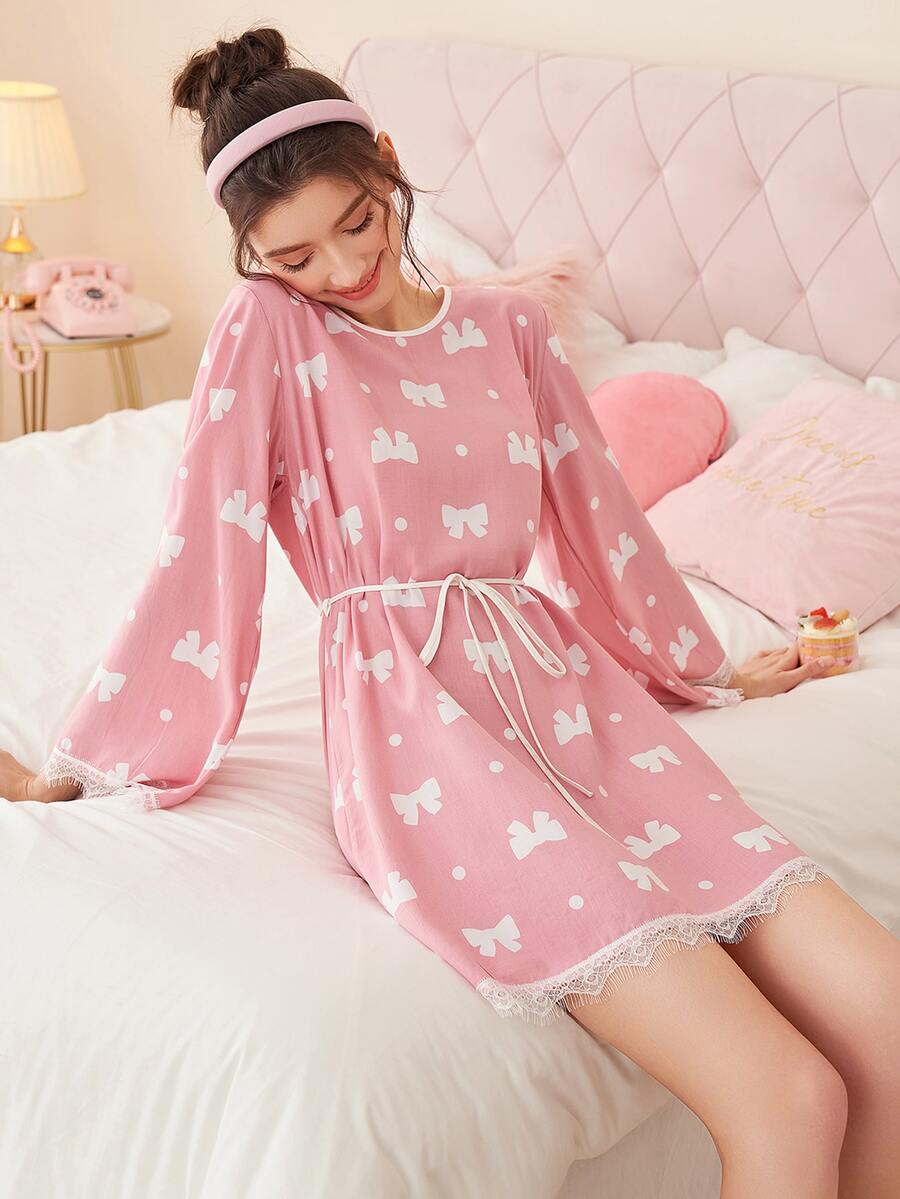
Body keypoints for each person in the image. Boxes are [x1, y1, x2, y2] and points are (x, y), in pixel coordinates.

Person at [4, 26, 899, 1195]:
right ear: (252, 254)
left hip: (580, 707)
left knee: (884, 1024)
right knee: (787, 1090)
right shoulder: (268, 329)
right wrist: (94, 759)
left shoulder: (508, 330)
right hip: (423, 737)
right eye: (293, 254)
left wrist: (706, 667)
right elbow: (203, 552)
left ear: (387, 163)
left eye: (357, 223)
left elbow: (600, 523)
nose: (340, 269)